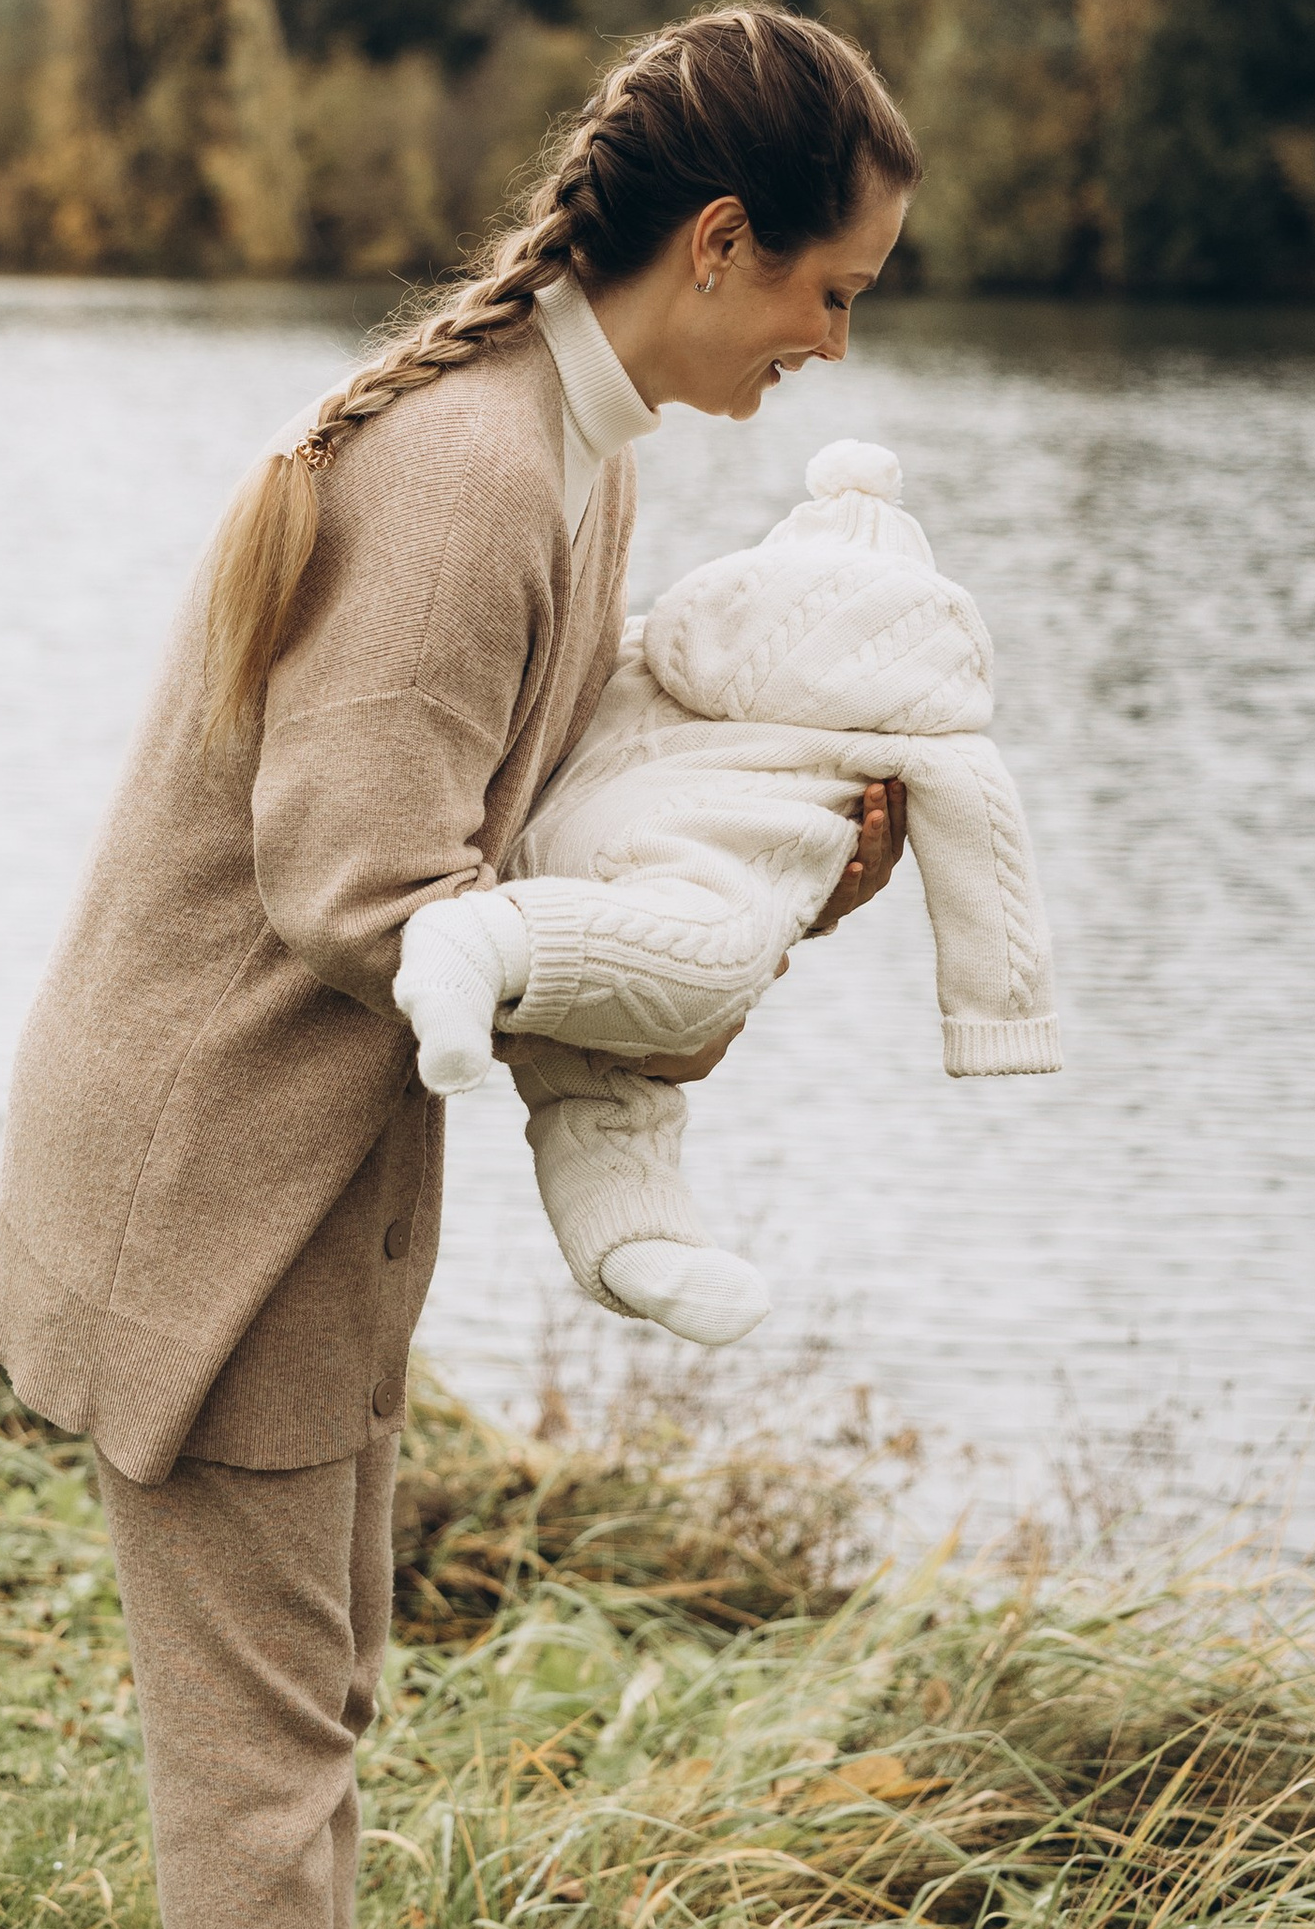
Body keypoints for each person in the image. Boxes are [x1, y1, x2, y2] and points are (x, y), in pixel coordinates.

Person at [0, 2, 918, 1929]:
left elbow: (549, 831)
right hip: (219, 1194)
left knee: (312, 1708)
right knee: (260, 1752)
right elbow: (358, 882)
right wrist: (690, 958)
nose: (836, 337)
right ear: (714, 246)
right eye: (828, 284)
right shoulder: (481, 471)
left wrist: (765, 876)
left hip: (303, 1179)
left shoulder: (569, 450)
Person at [393, 433, 1062, 1349]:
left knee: (602, 1075)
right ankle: (478, 947)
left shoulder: (664, 641)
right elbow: (985, 845)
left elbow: (581, 696)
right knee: (715, 960)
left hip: (547, 852)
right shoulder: (921, 707)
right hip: (678, 882)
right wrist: (1000, 1020)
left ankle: (638, 1240)